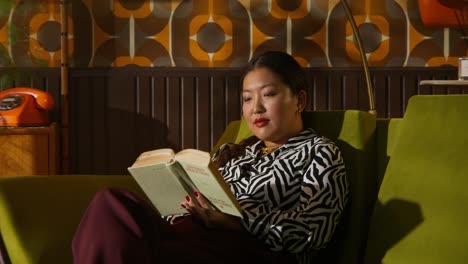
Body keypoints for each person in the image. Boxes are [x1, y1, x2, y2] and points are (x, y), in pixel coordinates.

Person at [72, 51, 349, 264]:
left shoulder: (319, 152)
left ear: (299, 101)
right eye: (248, 99)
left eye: (269, 95)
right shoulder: (235, 152)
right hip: (191, 238)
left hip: (246, 249)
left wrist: (236, 221)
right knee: (112, 204)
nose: (257, 108)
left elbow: (314, 230)